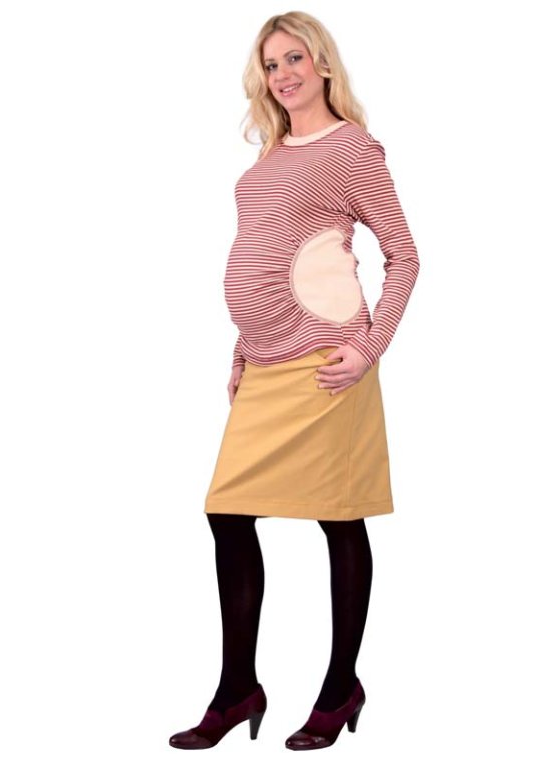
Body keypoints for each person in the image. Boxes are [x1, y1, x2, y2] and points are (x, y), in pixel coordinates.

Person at [169, 11, 420, 751]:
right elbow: (265, 251)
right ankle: (237, 689)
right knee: (227, 511)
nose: (282, 74)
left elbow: (405, 256)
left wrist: (370, 348)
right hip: (265, 360)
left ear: (323, 64)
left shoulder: (352, 149)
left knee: (338, 517)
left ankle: (340, 687)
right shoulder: (273, 151)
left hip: (327, 363)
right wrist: (242, 349)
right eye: (271, 64)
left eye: (294, 59)